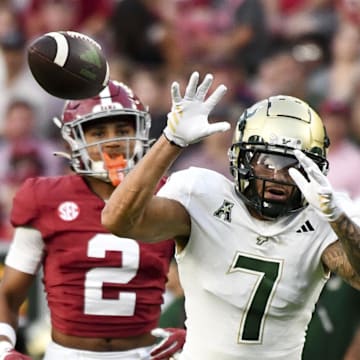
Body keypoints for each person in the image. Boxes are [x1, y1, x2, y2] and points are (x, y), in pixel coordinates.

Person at [101, 72, 360, 360]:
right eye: (267, 161)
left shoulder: (326, 215)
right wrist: (170, 141)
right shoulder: (202, 194)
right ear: (242, 159)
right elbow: (118, 220)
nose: (278, 176)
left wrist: (338, 218)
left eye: (293, 165)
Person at [0, 80, 185, 359]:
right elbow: (10, 295)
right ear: (75, 140)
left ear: (141, 132)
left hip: (146, 353)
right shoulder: (46, 198)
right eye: (98, 132)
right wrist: (3, 348)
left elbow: (211, 287)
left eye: (123, 130)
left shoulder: (171, 194)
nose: (112, 141)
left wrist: (193, 333)